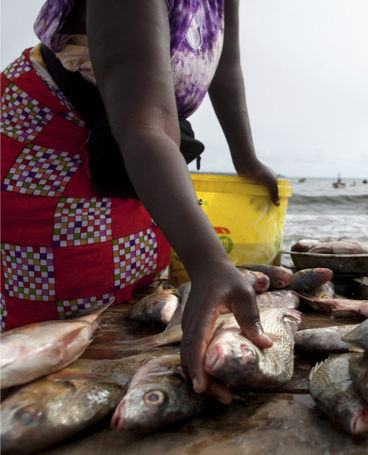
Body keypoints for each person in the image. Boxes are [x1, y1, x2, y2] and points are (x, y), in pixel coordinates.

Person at [0, 0, 279, 403]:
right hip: (54, 139)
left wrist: (246, 159)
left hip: (141, 149)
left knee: (135, 300)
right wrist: (210, 263)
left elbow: (225, 67)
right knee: (59, 334)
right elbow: (143, 118)